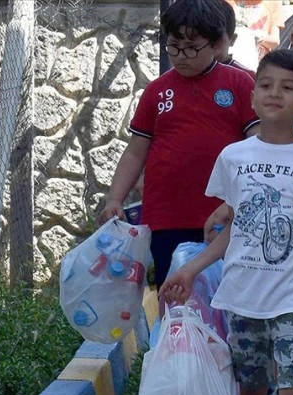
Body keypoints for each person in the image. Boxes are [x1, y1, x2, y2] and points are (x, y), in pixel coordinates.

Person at [161, 49, 293, 395]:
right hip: (243, 296)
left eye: (288, 87)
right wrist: (191, 269)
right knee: (250, 391)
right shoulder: (233, 157)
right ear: (252, 97)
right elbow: (239, 227)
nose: (274, 93)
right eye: (266, 85)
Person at [98, 0, 260, 289]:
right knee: (172, 295)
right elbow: (136, 151)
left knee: (224, 300)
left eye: (191, 47)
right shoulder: (156, 91)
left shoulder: (241, 84)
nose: (181, 56)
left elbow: (259, 145)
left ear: (215, 44)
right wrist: (114, 199)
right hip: (166, 216)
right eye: (173, 46)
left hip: (225, 215)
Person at [216, 0, 256, 77]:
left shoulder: (247, 77)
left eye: (215, 40)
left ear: (232, 39)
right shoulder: (189, 72)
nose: (207, 45)